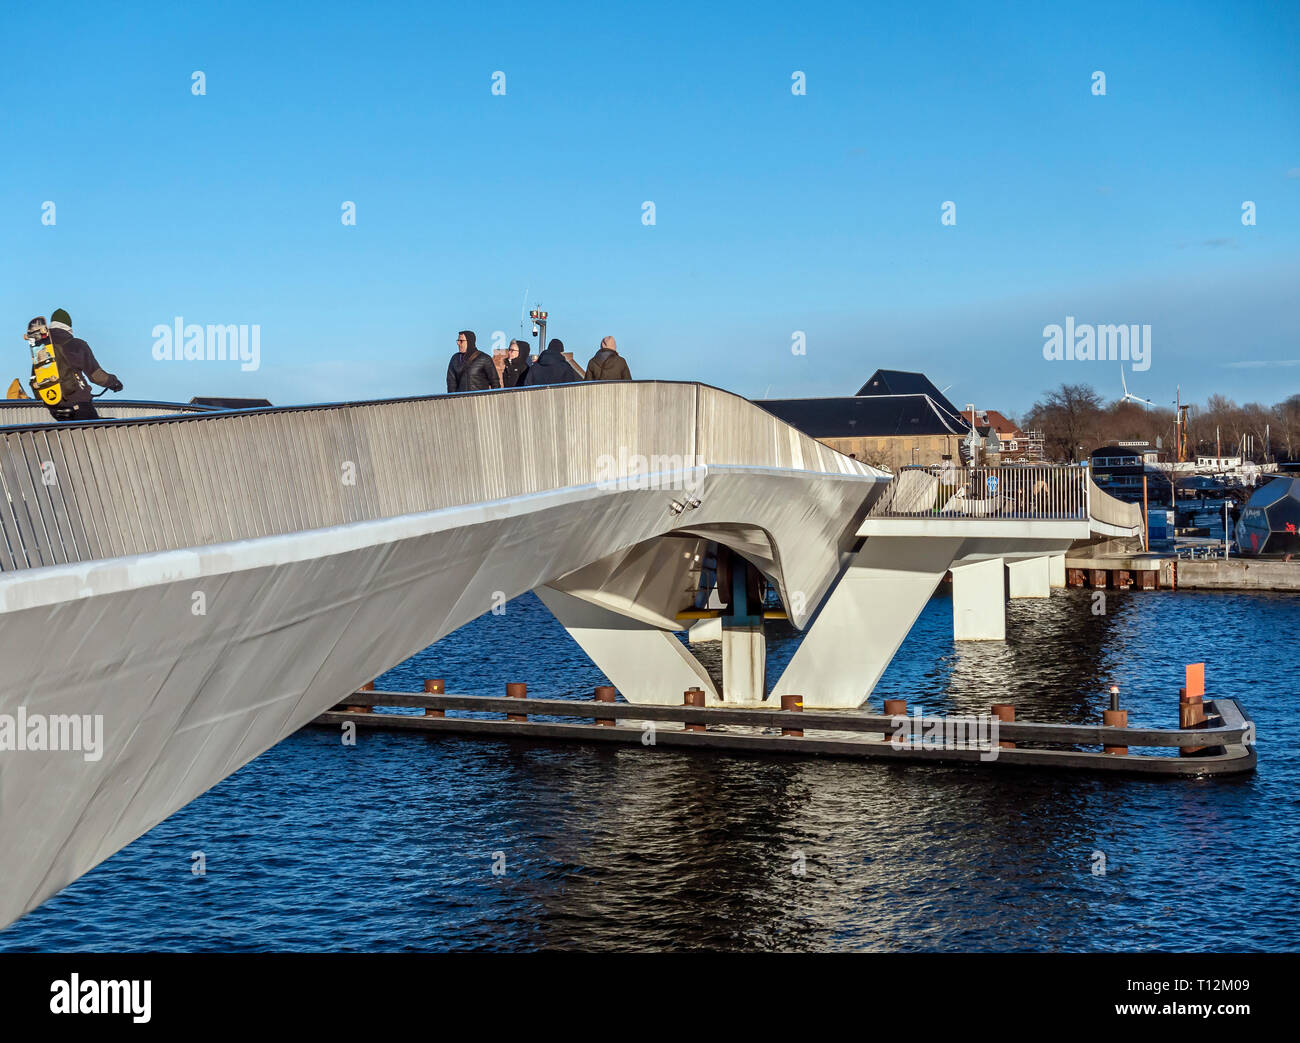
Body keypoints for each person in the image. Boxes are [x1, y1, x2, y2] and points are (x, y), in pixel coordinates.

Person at [25, 309, 122, 421]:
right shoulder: (77, 344)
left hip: (53, 404)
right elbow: (96, 376)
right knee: (104, 429)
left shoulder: (42, 347)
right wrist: (114, 383)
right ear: (69, 327)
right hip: (78, 401)